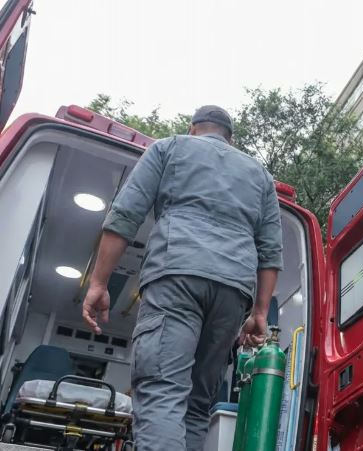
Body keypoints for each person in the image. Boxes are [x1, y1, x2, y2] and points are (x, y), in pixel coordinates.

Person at [81, 105, 283, 451]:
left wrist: (99, 283)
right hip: (233, 293)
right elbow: (271, 252)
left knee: (163, 390)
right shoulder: (260, 176)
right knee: (196, 405)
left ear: (193, 129)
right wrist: (260, 313)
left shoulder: (168, 148)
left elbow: (126, 215)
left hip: (177, 275)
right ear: (229, 139)